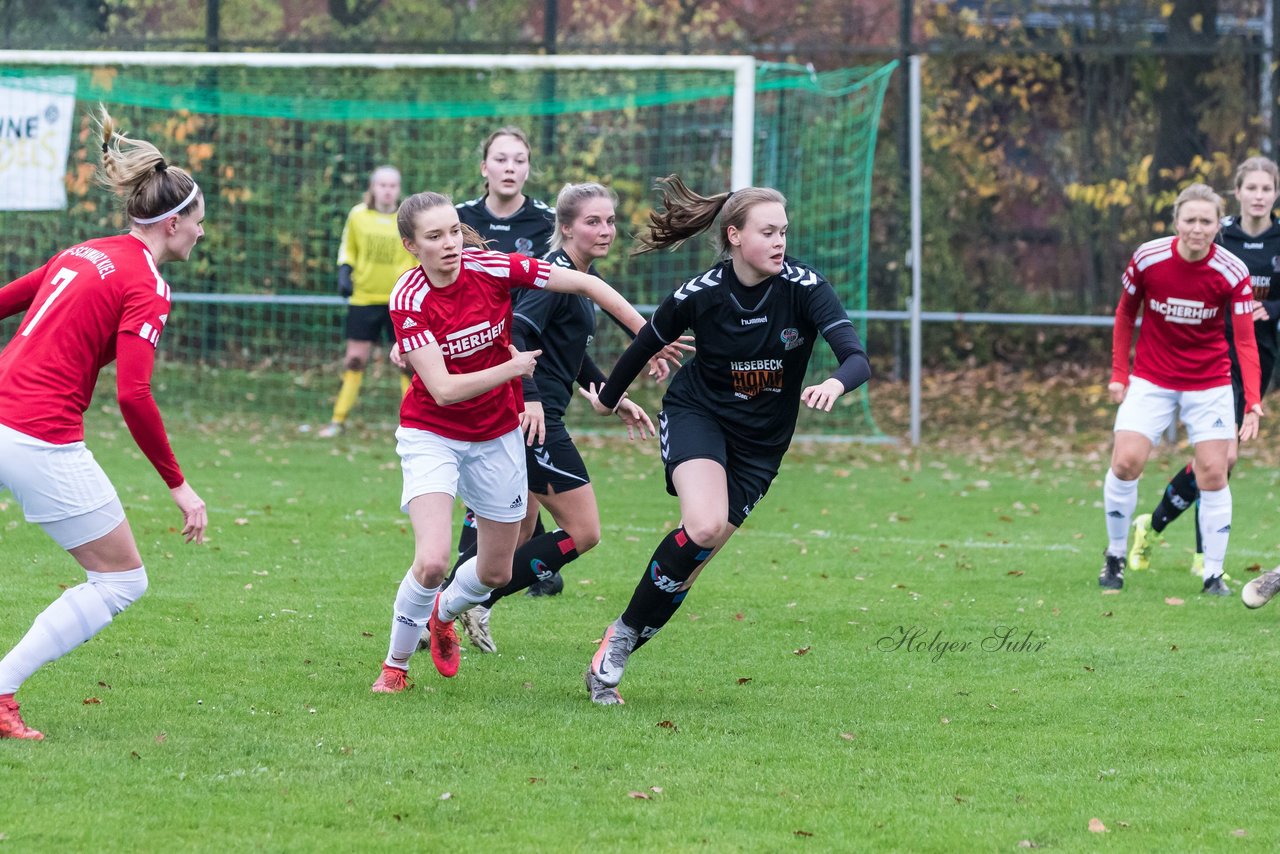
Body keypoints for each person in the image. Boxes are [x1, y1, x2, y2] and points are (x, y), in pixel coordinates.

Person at [579, 176, 871, 706]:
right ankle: (619, 644)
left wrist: (834, 381)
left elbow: (856, 357)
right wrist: (606, 397)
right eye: (767, 232)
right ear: (735, 236)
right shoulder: (704, 292)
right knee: (705, 524)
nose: (780, 241)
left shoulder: (806, 288)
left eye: (783, 231)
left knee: (693, 562)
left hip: (762, 446)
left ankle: (615, 643)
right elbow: (649, 339)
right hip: (700, 415)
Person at [369, 191, 653, 694]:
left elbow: (586, 283)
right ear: (412, 246)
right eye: (435, 237)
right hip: (432, 432)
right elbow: (444, 389)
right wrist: (513, 368)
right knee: (433, 559)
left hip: (497, 434)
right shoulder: (408, 298)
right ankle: (395, 668)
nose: (451, 243)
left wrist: (647, 334)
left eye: (455, 231)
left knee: (497, 572)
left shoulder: (493, 266)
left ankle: (443, 613)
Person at [0, 108, 209, 740]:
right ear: (172, 223)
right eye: (198, 221)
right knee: (121, 580)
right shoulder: (147, 284)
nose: (202, 232)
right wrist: (179, 484)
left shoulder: (83, 251)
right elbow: (134, 394)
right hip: (37, 436)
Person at [452, 182, 661, 654]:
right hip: (533, 419)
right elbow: (519, 331)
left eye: (609, 220)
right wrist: (529, 397)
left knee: (518, 530)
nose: (605, 230)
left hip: (534, 413)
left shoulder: (575, 278)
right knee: (584, 532)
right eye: (592, 221)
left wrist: (611, 392)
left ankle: (447, 606)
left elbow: (566, 353)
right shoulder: (554, 275)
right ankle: (455, 602)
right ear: (565, 228)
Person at [1099, 182, 1262, 597]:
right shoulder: (1148, 258)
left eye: (1206, 221)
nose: (1197, 228)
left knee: (1213, 471)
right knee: (1125, 464)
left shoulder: (1232, 271)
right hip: (1152, 379)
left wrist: (1254, 401)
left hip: (1209, 383)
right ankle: (1115, 556)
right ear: (1176, 222)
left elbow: (1244, 340)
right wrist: (1120, 372)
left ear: (1217, 225)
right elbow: (1124, 314)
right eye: (1189, 220)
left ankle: (1212, 574)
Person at [1129, 158, 1280, 575]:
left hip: (1256, 354)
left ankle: (1153, 525)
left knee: (1221, 460)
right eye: (1251, 187)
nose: (1258, 195)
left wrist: (1269, 306)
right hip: (1211, 354)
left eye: (1266, 188)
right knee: (1221, 457)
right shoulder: (1217, 232)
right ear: (1238, 192)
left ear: (1275, 193)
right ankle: (1201, 558)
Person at [452, 127, 558, 586]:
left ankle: (512, 565)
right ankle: (467, 572)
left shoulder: (547, 221)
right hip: (475, 360)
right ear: (484, 167)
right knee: (494, 464)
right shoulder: (458, 219)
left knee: (523, 469)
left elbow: (566, 286)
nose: (510, 167)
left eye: (519, 160)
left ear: (528, 168)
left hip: (534, 356)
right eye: (500, 159)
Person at [315, 166, 417, 438]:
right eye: (382, 185)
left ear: (398, 189)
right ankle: (338, 420)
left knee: (409, 362)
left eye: (393, 185)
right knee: (355, 359)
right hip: (363, 299)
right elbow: (348, 247)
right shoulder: (358, 215)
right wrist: (344, 271)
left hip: (400, 301)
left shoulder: (407, 220)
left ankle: (413, 425)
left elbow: (418, 255)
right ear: (373, 187)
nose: (387, 190)